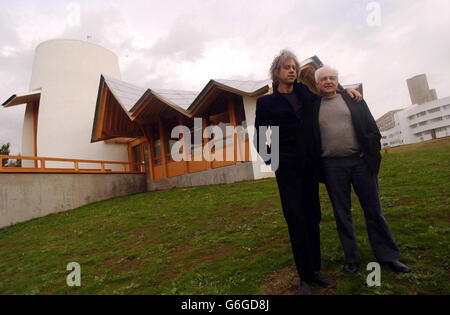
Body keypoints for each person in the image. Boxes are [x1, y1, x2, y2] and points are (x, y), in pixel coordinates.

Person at [254, 50, 362, 295]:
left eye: (294, 67)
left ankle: (315, 270)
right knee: (296, 220)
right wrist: (275, 163)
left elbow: (328, 93)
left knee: (313, 217)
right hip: (288, 171)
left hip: (310, 168)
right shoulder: (266, 102)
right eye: (286, 67)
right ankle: (303, 277)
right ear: (276, 73)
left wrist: (348, 92)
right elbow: (260, 137)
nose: (292, 70)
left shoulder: (305, 94)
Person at [312, 65, 412, 274]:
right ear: (317, 83)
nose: (328, 81)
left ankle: (388, 256)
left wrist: (369, 153)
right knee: (342, 214)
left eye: (332, 77)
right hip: (332, 166)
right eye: (323, 79)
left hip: (360, 163)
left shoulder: (353, 99)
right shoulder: (313, 106)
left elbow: (372, 130)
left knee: (374, 210)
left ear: (337, 81)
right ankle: (352, 259)